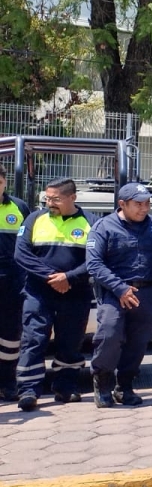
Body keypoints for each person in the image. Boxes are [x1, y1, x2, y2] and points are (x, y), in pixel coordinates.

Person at [86, 183, 152, 407]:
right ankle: (103, 382)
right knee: (110, 334)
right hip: (114, 291)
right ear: (122, 204)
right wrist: (120, 288)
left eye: (147, 203)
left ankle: (124, 385)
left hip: (145, 291)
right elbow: (94, 264)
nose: (144, 208)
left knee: (140, 339)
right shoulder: (103, 227)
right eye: (138, 204)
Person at [13, 178, 96, 411]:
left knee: (70, 341)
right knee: (33, 340)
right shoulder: (34, 219)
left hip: (75, 292)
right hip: (39, 292)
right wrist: (53, 277)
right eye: (47, 198)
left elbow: (96, 259)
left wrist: (68, 278)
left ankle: (66, 387)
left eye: (56, 199)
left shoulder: (91, 222)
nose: (50, 202)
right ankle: (28, 391)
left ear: (72, 197)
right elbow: (22, 255)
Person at [0, 164, 30, 402]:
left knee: (11, 335)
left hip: (12, 282)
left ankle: (8, 382)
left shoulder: (18, 207)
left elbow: (28, 243)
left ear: (4, 183)